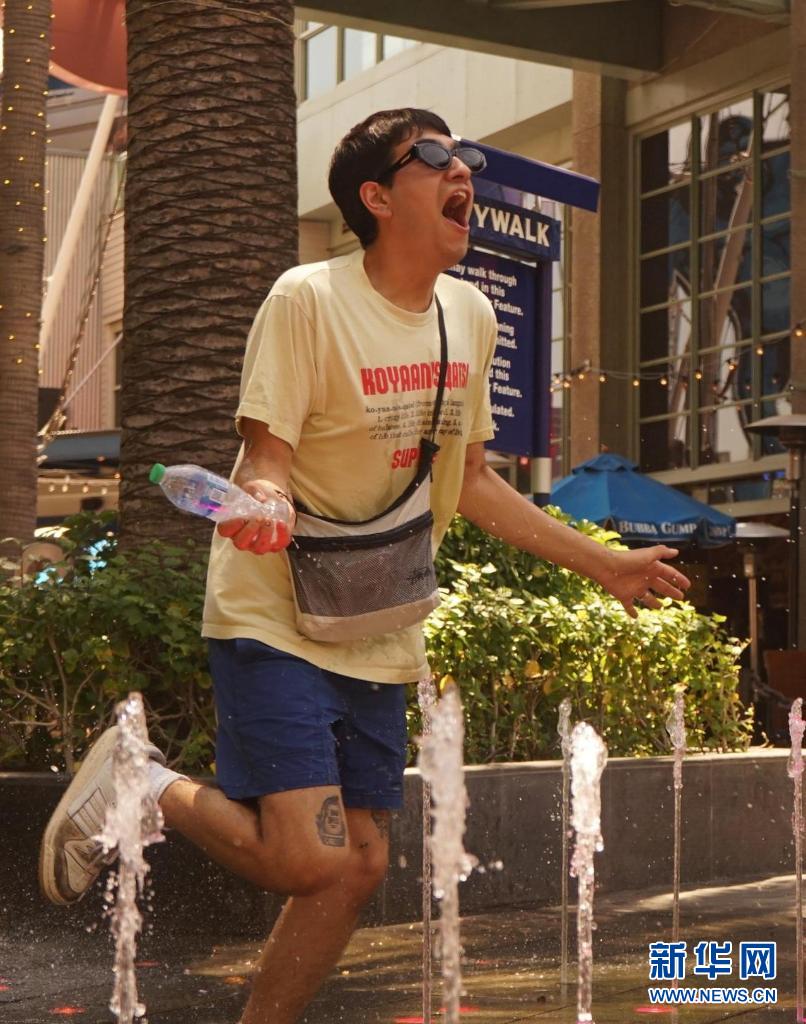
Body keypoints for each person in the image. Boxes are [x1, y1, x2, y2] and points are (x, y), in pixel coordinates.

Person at [38, 108, 690, 1023]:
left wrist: (603, 565)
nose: (462, 171)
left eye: (464, 157)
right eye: (435, 157)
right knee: (308, 857)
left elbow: (469, 480)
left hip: (377, 618)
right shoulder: (307, 298)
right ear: (377, 198)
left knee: (360, 867)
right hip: (274, 611)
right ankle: (140, 780)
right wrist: (264, 500)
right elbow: (266, 454)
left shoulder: (470, 316)